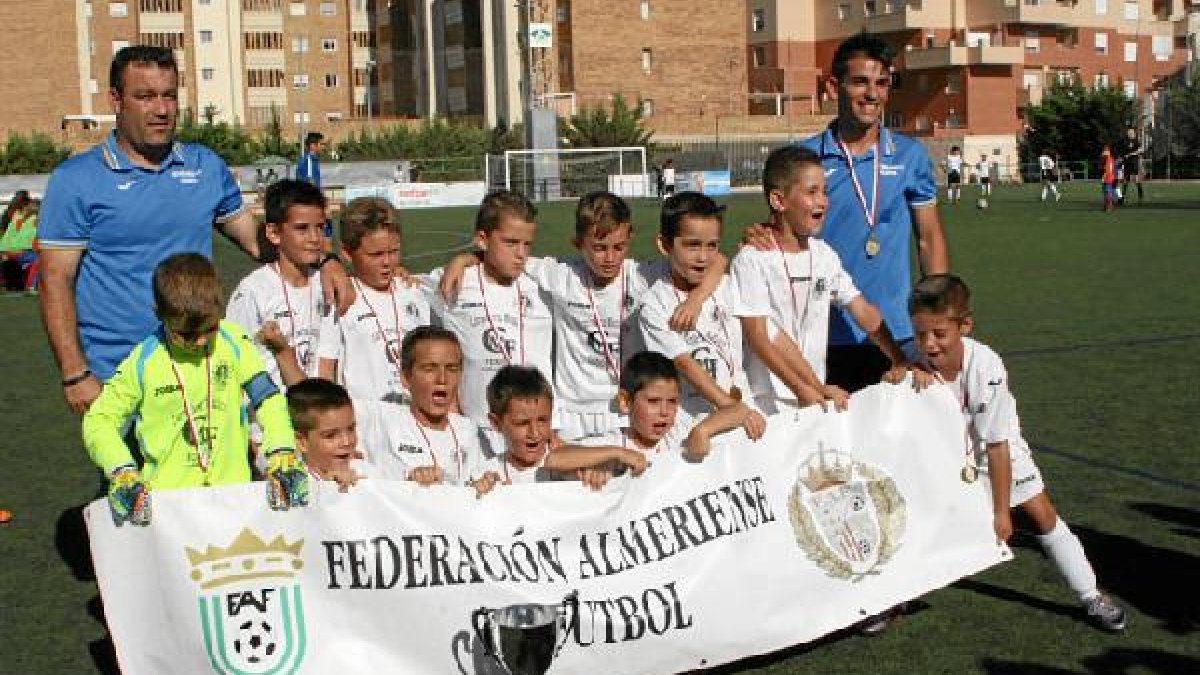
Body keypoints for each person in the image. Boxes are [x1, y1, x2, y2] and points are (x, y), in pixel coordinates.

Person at [37, 45, 351, 416]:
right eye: (146, 97)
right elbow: (55, 281)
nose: (162, 109)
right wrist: (75, 373)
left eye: (169, 96)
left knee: (217, 473)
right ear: (116, 100)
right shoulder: (76, 180)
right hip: (119, 375)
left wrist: (325, 259)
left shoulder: (205, 166)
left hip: (200, 363)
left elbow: (258, 242)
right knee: (132, 475)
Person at [886, 274, 1127, 632]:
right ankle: (893, 598)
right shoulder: (912, 357)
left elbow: (996, 446)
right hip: (949, 456)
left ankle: (1091, 595)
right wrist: (899, 373)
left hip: (999, 452)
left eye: (939, 333)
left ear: (965, 325)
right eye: (921, 334)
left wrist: (1001, 512)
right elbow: (889, 391)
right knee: (920, 522)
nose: (929, 344)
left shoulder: (987, 367)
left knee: (1043, 515)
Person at [436, 190, 721, 440]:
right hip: (572, 414)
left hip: (626, 409)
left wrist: (696, 298)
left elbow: (717, 259)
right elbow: (503, 256)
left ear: (629, 240)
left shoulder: (642, 276)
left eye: (618, 247)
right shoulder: (559, 275)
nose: (609, 258)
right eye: (598, 248)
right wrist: (466, 258)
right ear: (578, 243)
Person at [81, 254, 308, 526]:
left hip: (233, 498)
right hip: (169, 508)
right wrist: (121, 469)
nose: (200, 341)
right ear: (159, 314)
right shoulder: (143, 361)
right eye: (186, 335)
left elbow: (268, 400)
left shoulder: (234, 343)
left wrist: (281, 448)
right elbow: (99, 420)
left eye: (209, 329)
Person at [796, 33, 948, 395]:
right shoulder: (804, 159)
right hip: (821, 330)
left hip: (894, 333)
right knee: (830, 449)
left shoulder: (909, 155)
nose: (872, 94)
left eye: (882, 83)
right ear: (834, 87)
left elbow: (928, 238)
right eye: (860, 82)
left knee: (893, 445)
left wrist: (940, 311)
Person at [733, 146, 918, 417]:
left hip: (813, 393)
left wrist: (899, 358)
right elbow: (758, 337)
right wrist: (804, 389)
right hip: (768, 404)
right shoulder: (752, 259)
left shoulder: (824, 255)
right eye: (811, 192)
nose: (823, 201)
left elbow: (862, 310)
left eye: (825, 191)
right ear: (778, 201)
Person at [638, 191, 766, 440]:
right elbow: (684, 364)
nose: (703, 257)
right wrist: (730, 407)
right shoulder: (654, 305)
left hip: (746, 416)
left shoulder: (730, 285)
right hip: (693, 425)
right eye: (692, 245)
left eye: (712, 245)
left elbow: (769, 335)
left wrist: (812, 388)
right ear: (664, 245)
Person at [424, 191, 554, 428]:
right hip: (476, 426)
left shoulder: (544, 283)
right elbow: (397, 286)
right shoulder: (453, 282)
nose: (521, 254)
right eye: (511, 243)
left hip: (535, 428)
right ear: (482, 239)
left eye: (527, 244)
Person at [318, 197, 430, 402]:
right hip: (366, 424)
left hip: (413, 422)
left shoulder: (413, 291)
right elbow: (326, 369)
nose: (387, 262)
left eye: (393, 252)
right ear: (347, 253)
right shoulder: (342, 298)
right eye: (375, 254)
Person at [354, 326, 488, 487]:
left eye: (451, 369)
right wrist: (406, 479)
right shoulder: (378, 418)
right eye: (429, 369)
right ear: (405, 378)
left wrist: (486, 484)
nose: (442, 378)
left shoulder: (469, 432)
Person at [226, 179, 329, 388]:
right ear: (274, 233)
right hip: (269, 415)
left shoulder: (327, 283)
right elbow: (233, 360)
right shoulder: (252, 292)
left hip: (321, 411)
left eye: (320, 227)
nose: (314, 238)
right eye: (302, 228)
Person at [476, 365, 646, 490]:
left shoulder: (574, 462)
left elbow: (555, 460)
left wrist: (600, 470)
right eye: (522, 423)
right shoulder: (486, 472)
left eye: (542, 420)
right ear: (496, 423)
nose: (534, 433)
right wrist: (480, 495)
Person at [573, 351, 748, 467]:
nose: (664, 412)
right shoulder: (611, 443)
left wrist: (703, 431)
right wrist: (617, 455)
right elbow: (555, 457)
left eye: (672, 401)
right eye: (653, 401)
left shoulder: (679, 436)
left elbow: (740, 410)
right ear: (625, 402)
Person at [286, 378, 369, 489]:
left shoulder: (368, 474)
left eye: (351, 429)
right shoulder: (290, 485)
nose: (346, 441)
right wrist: (327, 486)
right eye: (330, 435)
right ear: (302, 442)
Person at [0, 191, 39, 294]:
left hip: (7, 250)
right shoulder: (32, 219)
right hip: (18, 251)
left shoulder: (15, 216)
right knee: (40, 259)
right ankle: (31, 286)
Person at [1120, 127, 1145, 206]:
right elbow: (1123, 152)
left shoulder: (1136, 140)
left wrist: (1131, 154)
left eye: (1131, 132)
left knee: (1136, 181)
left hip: (1134, 163)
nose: (1129, 133)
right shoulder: (1125, 141)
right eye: (1128, 132)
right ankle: (1121, 198)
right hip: (1126, 163)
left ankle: (1140, 197)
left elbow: (1141, 150)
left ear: (1134, 133)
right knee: (1125, 182)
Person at [1100, 145, 1117, 213]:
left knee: (1109, 192)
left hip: (1109, 178)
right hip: (1108, 177)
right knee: (1105, 192)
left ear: (1108, 152)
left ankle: (1110, 206)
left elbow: (1109, 170)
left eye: (1105, 151)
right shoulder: (1105, 159)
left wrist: (1104, 176)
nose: (1103, 152)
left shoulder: (1110, 159)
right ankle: (1105, 206)